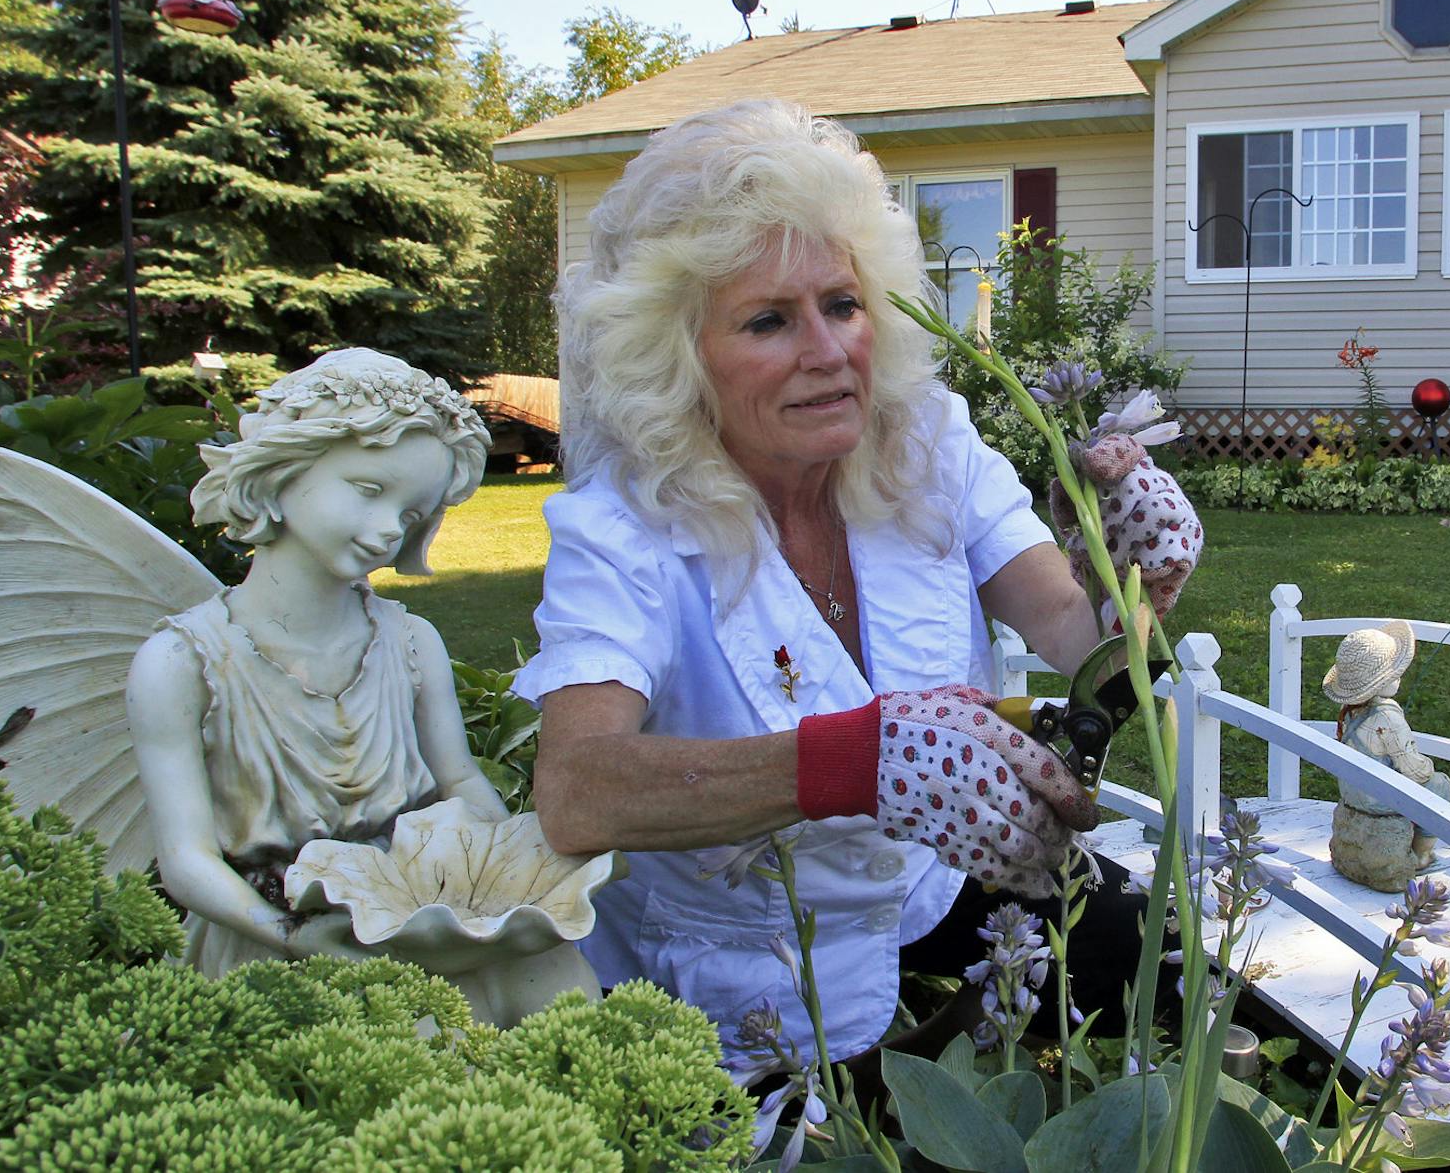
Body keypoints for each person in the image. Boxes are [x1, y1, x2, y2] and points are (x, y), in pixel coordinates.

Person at [517, 99, 1201, 1068]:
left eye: (842, 304)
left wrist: (1130, 577)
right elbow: (577, 793)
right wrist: (854, 759)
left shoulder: (929, 443)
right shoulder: (622, 526)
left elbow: (1066, 627)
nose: (830, 351)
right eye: (768, 319)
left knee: (1185, 978)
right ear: (677, 356)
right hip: (739, 979)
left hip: (933, 897)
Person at [126, 348, 514, 975]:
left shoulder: (412, 644)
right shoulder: (181, 664)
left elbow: (459, 780)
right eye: (367, 490)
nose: (390, 528)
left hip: (409, 927)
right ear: (280, 474)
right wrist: (292, 934)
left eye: (412, 513)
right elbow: (186, 860)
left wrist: (511, 864)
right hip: (266, 947)